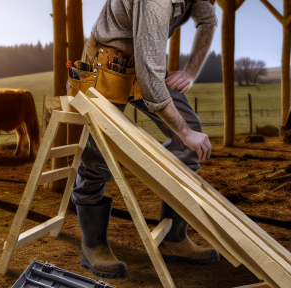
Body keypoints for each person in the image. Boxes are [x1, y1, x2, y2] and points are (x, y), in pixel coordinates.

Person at [68, 0, 219, 279]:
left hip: (143, 62)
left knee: (188, 141)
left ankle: (173, 239)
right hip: (106, 63)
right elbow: (151, 83)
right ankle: (92, 246)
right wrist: (186, 134)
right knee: (100, 151)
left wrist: (191, 71)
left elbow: (208, 21)